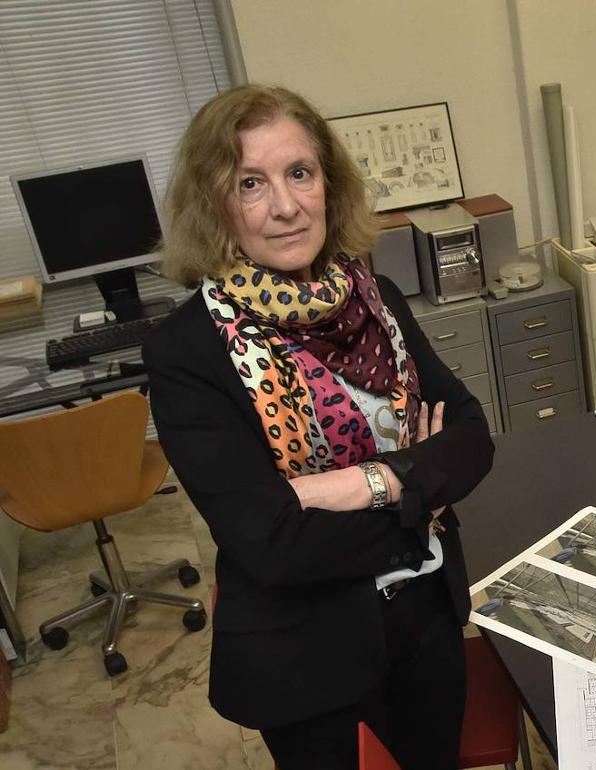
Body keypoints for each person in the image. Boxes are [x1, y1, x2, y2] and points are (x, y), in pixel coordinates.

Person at [143, 84, 494, 770]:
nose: (284, 206)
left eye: (299, 173)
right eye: (251, 183)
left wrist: (359, 484)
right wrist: (419, 490)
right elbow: (271, 543)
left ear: (327, 184)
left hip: (426, 622)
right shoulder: (188, 351)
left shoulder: (376, 300)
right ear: (214, 205)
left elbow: (473, 433)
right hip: (308, 659)